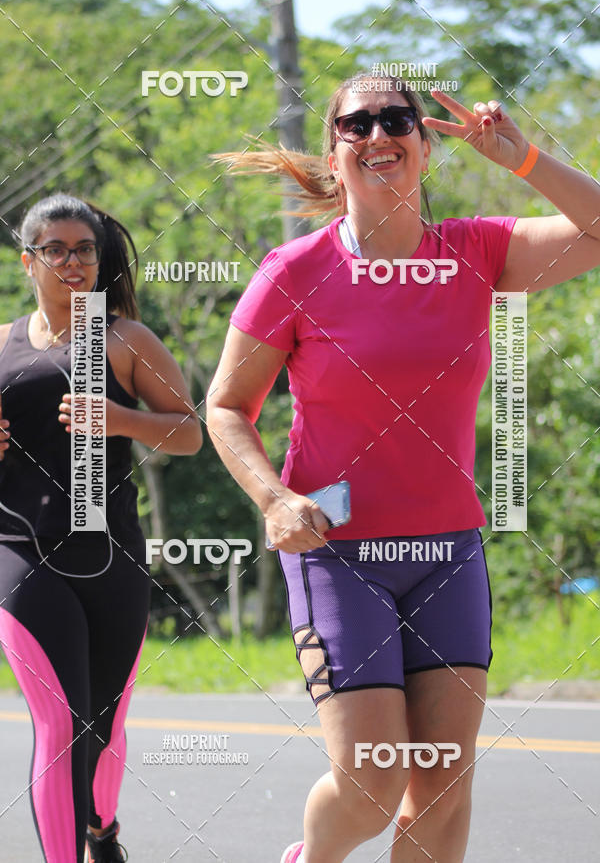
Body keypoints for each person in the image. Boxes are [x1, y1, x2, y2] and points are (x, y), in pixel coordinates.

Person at [206, 73, 600, 863]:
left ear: (426, 146)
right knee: (369, 785)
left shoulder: (477, 252)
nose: (378, 132)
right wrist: (273, 496)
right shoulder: (294, 272)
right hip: (337, 550)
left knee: (444, 787)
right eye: (358, 123)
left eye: (398, 119)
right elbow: (224, 407)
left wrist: (524, 159)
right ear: (334, 152)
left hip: (447, 550)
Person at [0, 193, 202, 863]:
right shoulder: (0, 344)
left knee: (103, 724)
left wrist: (122, 421)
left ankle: (101, 828)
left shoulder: (121, 338)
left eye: (83, 248)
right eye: (53, 250)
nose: (70, 261)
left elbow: (189, 434)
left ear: (98, 257)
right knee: (60, 724)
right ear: (28, 261)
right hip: (19, 552)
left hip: (110, 554)